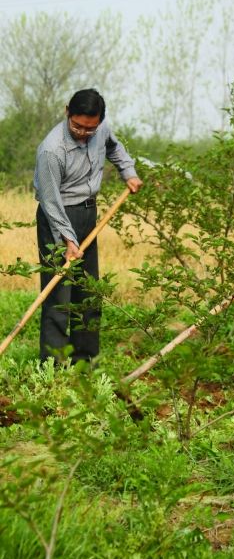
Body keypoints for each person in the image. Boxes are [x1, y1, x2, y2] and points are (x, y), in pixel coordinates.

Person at [34, 88, 142, 364]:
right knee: (59, 296)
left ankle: (84, 361)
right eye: (77, 126)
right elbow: (50, 200)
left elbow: (114, 148)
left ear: (99, 121)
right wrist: (67, 238)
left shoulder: (101, 129)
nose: (83, 133)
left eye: (89, 129)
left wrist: (127, 172)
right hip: (57, 218)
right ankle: (53, 367)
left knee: (88, 292)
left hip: (88, 215)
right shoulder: (51, 149)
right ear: (67, 111)